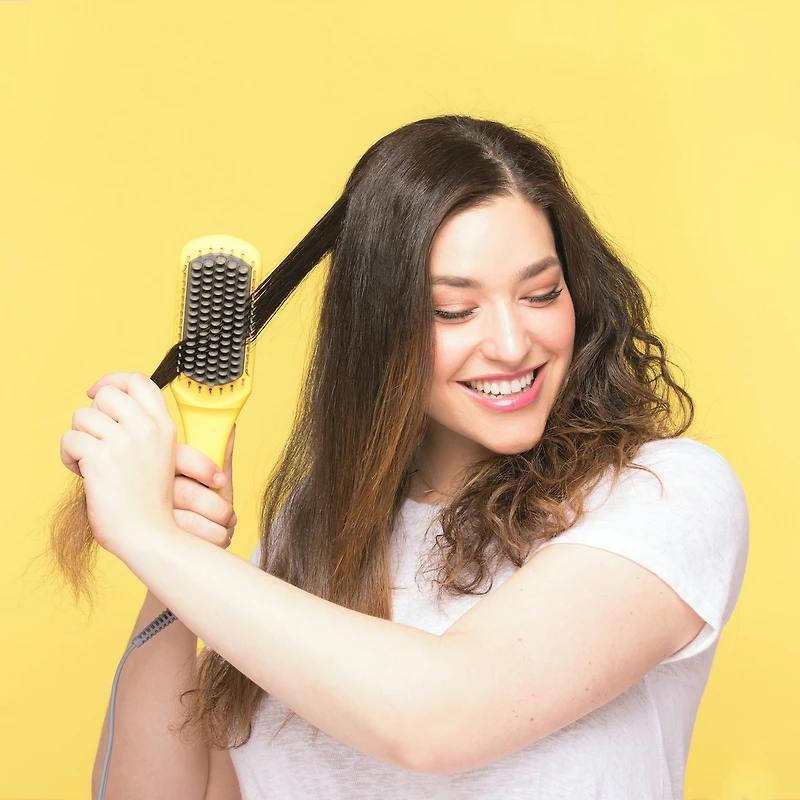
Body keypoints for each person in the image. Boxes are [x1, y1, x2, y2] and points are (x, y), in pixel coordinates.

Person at [55, 115, 748, 799]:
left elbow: (438, 716)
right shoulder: (315, 530)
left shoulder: (662, 494)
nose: (512, 343)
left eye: (540, 293)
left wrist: (151, 539)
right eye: (455, 311)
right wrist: (171, 555)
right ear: (379, 328)